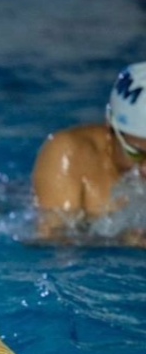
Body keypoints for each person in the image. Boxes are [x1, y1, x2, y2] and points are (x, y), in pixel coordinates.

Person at [32, 62, 146, 246]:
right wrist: (122, 241)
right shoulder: (70, 155)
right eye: (137, 153)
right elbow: (52, 240)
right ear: (111, 129)